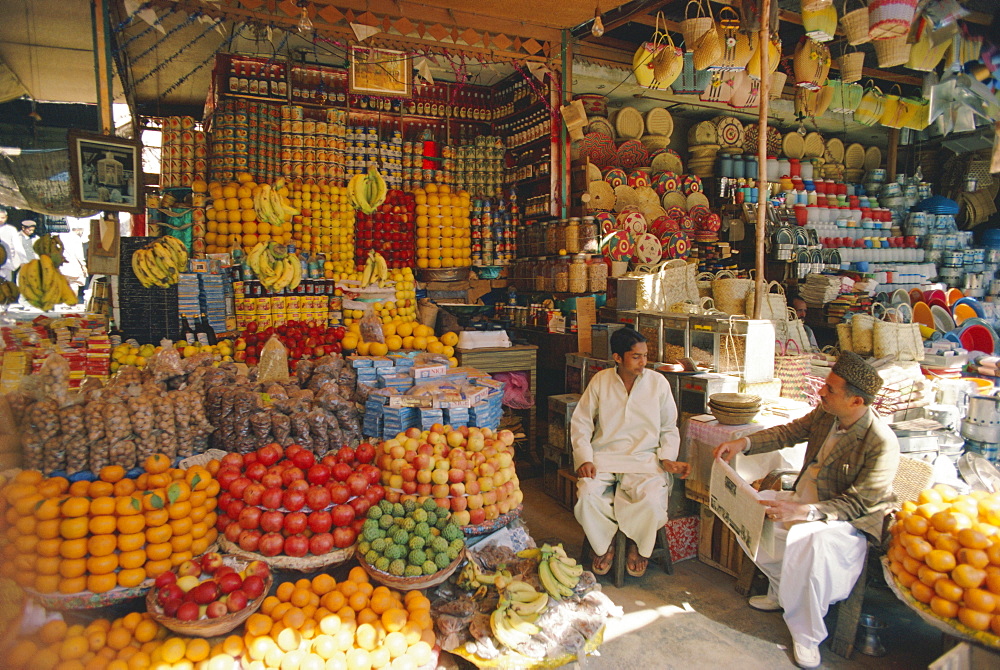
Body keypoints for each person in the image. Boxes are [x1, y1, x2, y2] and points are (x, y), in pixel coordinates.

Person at [713, 352, 899, 668]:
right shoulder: (826, 414)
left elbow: (857, 503)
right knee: (751, 510)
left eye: (831, 389)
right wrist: (742, 444)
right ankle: (783, 592)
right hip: (802, 500)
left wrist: (807, 512)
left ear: (856, 401)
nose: (821, 392)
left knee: (810, 540)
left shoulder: (881, 442)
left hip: (844, 521)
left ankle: (807, 636)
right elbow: (787, 432)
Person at [571, 327, 691, 578]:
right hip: (603, 458)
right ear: (618, 357)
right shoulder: (601, 381)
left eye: (645, 356)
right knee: (587, 496)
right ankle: (604, 545)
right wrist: (585, 458)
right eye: (636, 356)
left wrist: (668, 458)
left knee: (650, 501)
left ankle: (638, 546)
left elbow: (669, 427)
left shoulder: (658, 383)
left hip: (644, 460)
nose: (643, 362)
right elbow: (581, 422)